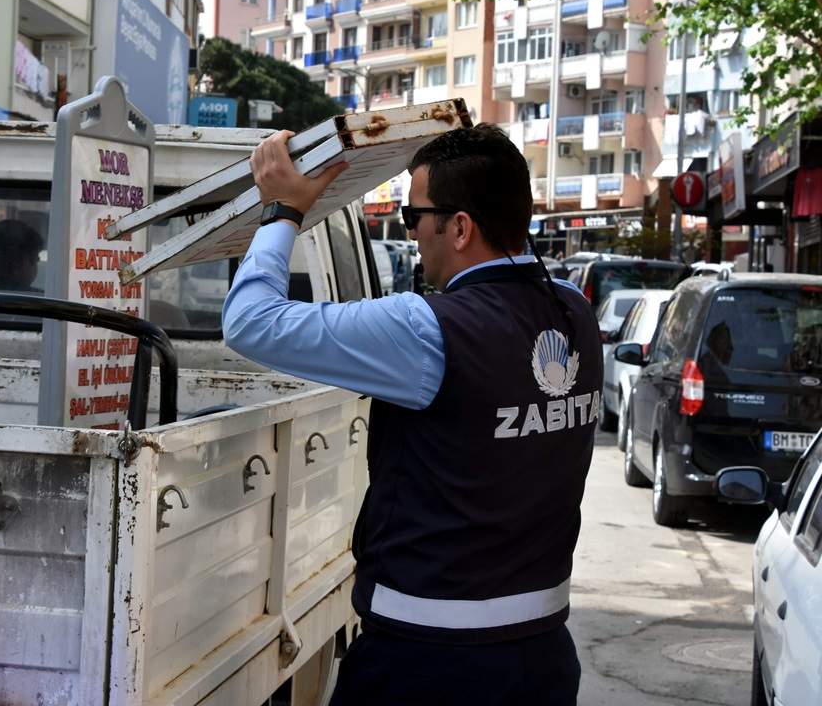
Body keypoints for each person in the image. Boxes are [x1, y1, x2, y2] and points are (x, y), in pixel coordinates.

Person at [222, 124, 603, 705]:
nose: (412, 234)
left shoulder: (429, 328)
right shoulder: (575, 313)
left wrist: (283, 212)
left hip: (429, 663)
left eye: (411, 216)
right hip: (542, 657)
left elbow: (251, 321)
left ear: (459, 227)